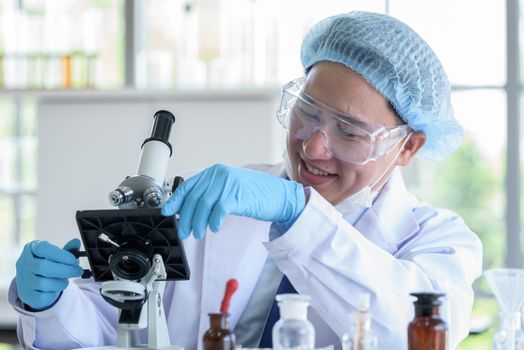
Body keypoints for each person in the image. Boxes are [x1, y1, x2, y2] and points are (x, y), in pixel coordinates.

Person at [9, 11, 482, 349]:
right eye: (308, 112)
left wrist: (299, 215)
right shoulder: (207, 198)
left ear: (408, 147)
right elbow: (118, 325)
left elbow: (409, 333)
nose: (314, 146)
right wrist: (51, 304)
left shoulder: (439, 243)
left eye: (350, 130)